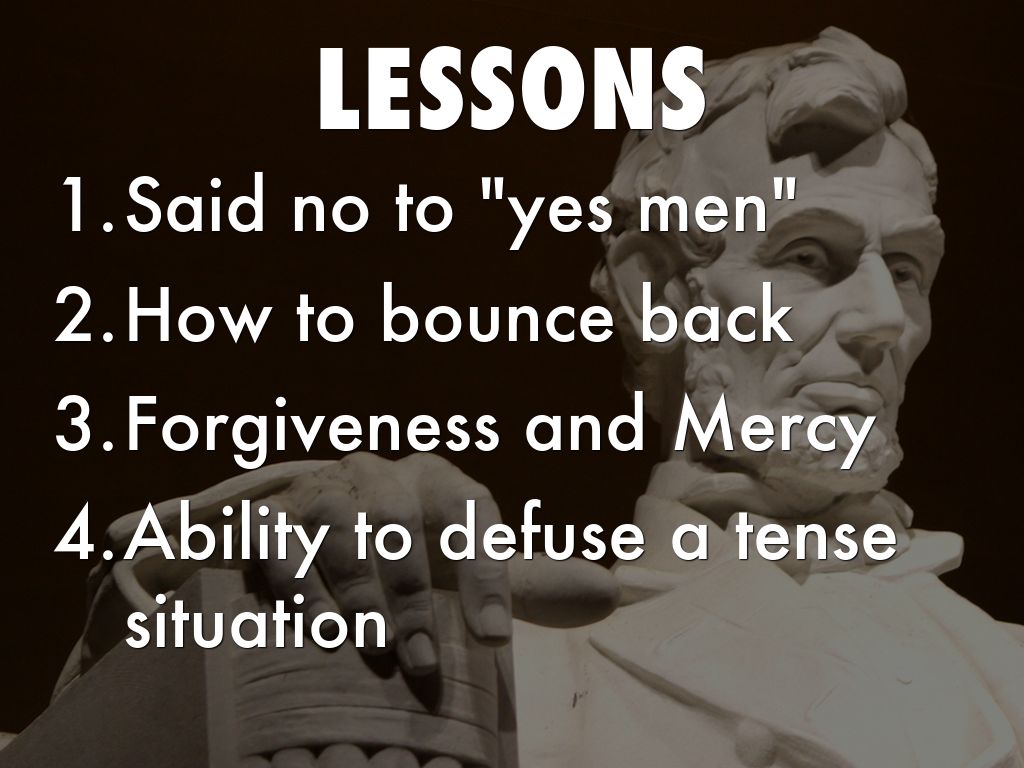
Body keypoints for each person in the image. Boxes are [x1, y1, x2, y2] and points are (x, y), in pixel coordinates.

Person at [57, 27, 1024, 767]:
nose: (884, 321)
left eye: (907, 270)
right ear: (655, 291)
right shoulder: (501, 649)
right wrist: (255, 561)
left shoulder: (1005, 669)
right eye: (809, 257)